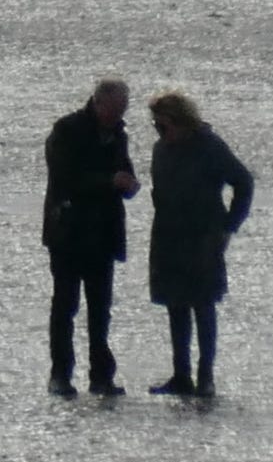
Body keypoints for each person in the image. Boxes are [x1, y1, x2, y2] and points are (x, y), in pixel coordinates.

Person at [143, 90, 254, 401]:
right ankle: (181, 375)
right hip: (167, 235)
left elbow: (243, 182)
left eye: (163, 126)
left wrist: (229, 226)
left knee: (203, 305)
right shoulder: (160, 150)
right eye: (156, 127)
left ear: (181, 121)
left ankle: (206, 376)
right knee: (175, 305)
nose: (160, 133)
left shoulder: (210, 147)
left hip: (203, 236)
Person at [40, 77, 138, 396]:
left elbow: (124, 169)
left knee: (100, 308)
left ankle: (101, 375)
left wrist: (128, 183)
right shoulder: (67, 130)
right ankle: (60, 374)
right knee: (65, 306)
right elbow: (65, 177)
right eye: (113, 109)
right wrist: (110, 181)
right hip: (68, 232)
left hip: (103, 235)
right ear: (98, 102)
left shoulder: (118, 135)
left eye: (122, 110)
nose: (117, 116)